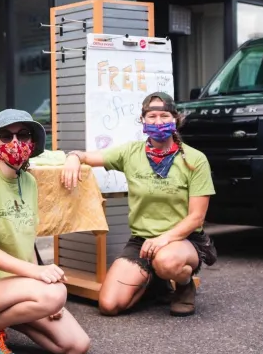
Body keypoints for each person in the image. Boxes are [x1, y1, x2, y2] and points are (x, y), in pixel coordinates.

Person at [61, 92, 217, 317]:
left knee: (166, 260)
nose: (158, 122)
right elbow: (86, 156)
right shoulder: (130, 153)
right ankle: (155, 283)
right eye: (151, 116)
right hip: (142, 241)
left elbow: (196, 218)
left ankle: (183, 285)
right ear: (142, 120)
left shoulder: (195, 159)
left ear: (175, 119)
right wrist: (73, 158)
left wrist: (163, 239)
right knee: (109, 305)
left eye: (164, 116)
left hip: (182, 240)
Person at [0, 109, 90, 354]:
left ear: (33, 142)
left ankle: (6, 318)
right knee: (54, 294)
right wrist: (40, 281)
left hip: (15, 285)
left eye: (23, 135)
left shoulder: (28, 181)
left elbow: (25, 243)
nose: (15, 143)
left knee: (76, 346)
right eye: (5, 136)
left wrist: (41, 288)